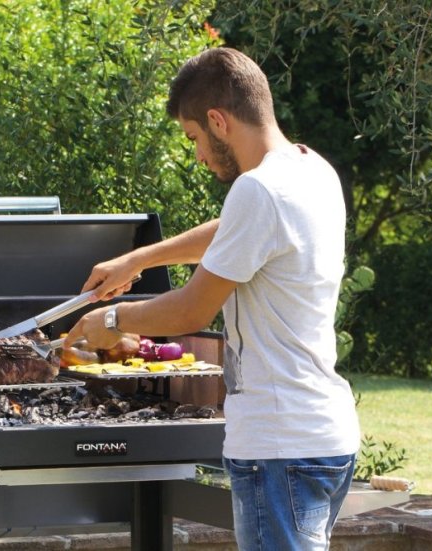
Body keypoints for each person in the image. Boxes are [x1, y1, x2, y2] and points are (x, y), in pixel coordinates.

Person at [63, 47, 361, 551]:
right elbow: (235, 232)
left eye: (195, 137)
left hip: (279, 444)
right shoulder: (312, 171)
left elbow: (190, 309)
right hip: (324, 436)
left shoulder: (258, 190)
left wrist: (108, 318)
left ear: (219, 121)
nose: (198, 154)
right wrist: (140, 259)